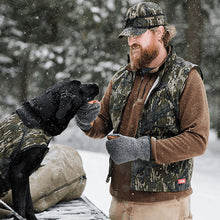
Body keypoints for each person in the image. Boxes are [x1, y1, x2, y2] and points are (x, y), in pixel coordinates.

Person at [75, 2, 210, 220]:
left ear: (159, 32)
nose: (131, 41)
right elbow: (101, 124)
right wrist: (86, 121)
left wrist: (142, 148)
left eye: (138, 34)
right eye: (128, 35)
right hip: (119, 200)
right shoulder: (121, 77)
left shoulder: (186, 77)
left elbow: (197, 140)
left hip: (163, 204)